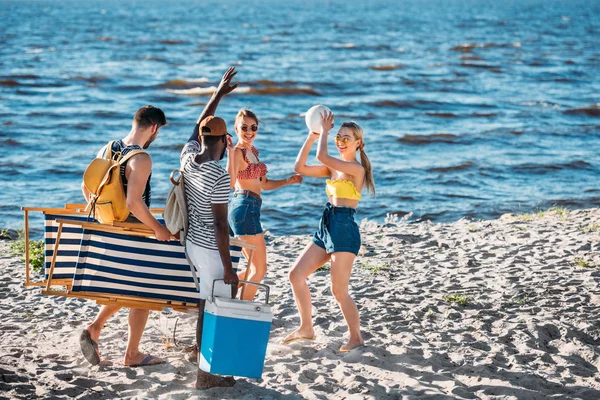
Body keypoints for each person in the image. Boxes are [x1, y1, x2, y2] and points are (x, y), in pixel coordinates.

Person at [79, 105, 172, 367]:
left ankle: (95, 328)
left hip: (109, 229)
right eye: (158, 132)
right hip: (131, 231)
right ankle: (132, 354)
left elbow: (86, 188)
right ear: (154, 128)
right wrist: (158, 228)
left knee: (128, 286)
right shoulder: (141, 159)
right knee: (144, 290)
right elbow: (134, 203)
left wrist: (106, 217)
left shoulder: (107, 148)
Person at [284, 111, 375, 353]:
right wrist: (313, 135)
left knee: (338, 290)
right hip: (327, 225)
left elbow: (322, 156)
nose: (341, 140)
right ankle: (306, 328)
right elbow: (299, 166)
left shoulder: (355, 169)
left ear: (358, 143)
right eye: (338, 136)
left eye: (347, 137)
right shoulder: (333, 168)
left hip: (344, 228)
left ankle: (356, 338)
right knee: (296, 275)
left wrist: (324, 131)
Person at [180, 67, 240, 389]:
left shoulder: (187, 157)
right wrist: (229, 268)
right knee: (220, 301)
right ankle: (207, 374)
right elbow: (220, 225)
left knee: (206, 300)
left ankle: (205, 360)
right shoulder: (219, 177)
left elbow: (197, 125)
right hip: (210, 248)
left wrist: (217, 93)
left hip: (191, 244)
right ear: (222, 141)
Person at [227, 109, 303, 300]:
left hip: (249, 207)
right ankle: (241, 311)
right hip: (244, 207)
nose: (249, 131)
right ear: (236, 129)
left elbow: (264, 184)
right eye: (244, 127)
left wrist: (288, 181)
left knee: (255, 268)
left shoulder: (252, 152)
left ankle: (222, 290)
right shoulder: (237, 152)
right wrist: (229, 153)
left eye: (253, 127)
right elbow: (229, 182)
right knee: (259, 269)